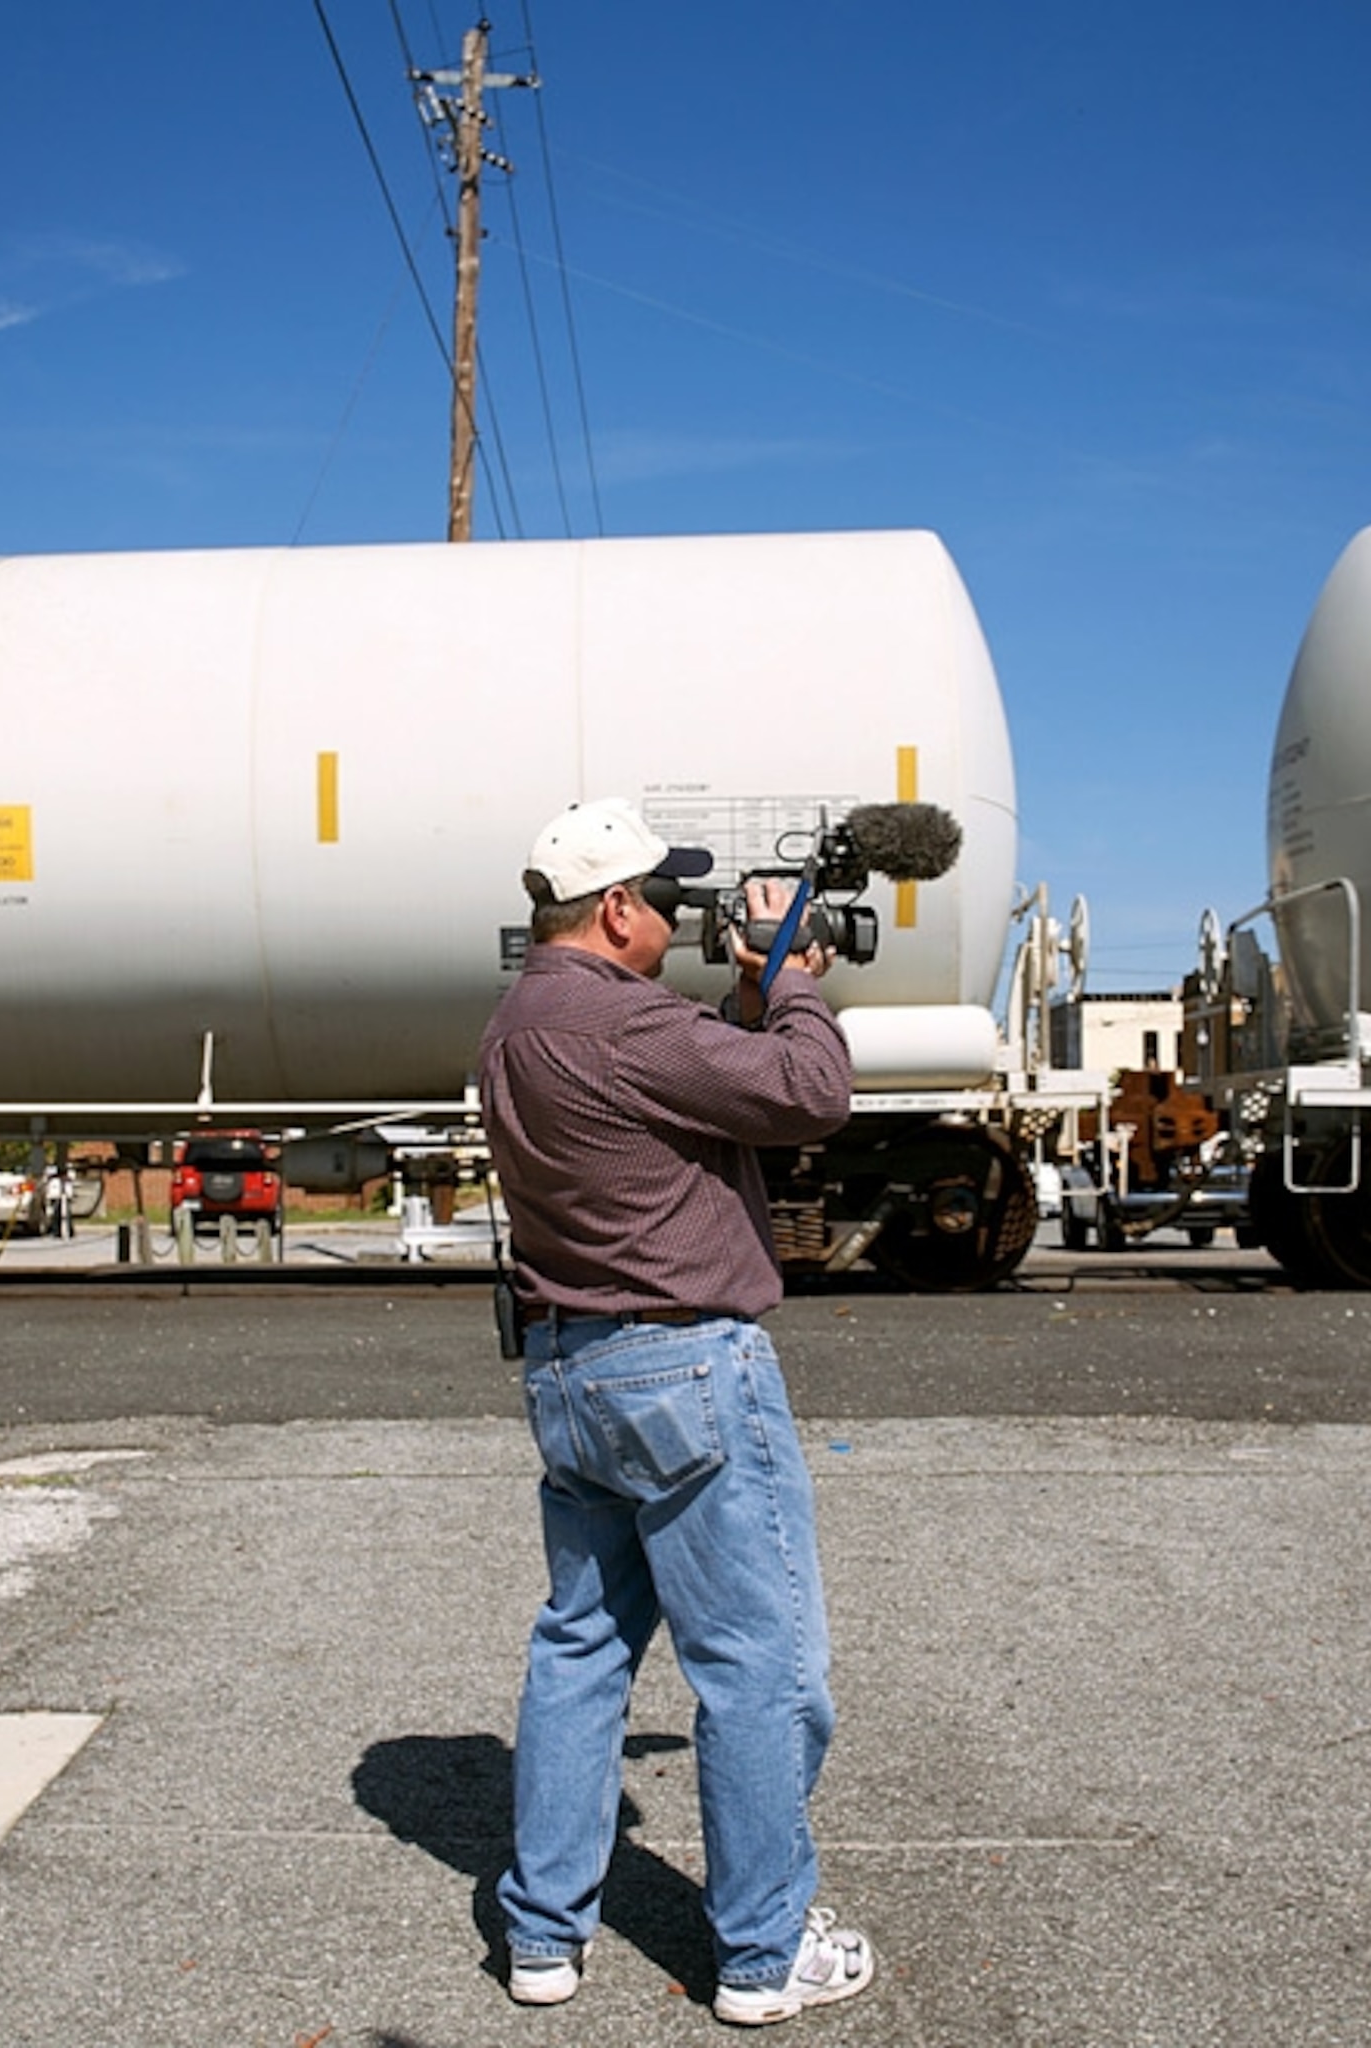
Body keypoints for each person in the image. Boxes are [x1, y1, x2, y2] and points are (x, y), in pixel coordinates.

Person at [477, 796, 878, 2027]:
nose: (680, 918)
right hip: (685, 1369)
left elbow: (700, 1090)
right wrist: (796, 984)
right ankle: (763, 1954)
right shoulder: (623, 1019)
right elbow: (806, 1093)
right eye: (666, 897)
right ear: (615, 909)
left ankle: (543, 1934)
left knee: (582, 1649)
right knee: (759, 1667)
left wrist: (755, 994)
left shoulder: (520, 1026)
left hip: (568, 1367)